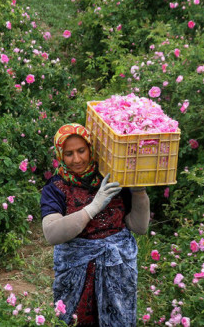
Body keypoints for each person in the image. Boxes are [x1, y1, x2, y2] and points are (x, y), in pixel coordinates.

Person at [40, 123, 150, 327]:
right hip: (77, 272)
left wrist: (139, 191)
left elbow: (139, 227)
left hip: (117, 269)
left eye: (81, 150)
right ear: (60, 155)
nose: (77, 159)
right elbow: (51, 234)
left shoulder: (110, 177)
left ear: (91, 148)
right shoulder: (55, 188)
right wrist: (94, 207)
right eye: (69, 153)